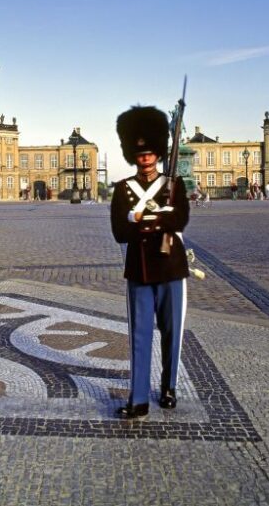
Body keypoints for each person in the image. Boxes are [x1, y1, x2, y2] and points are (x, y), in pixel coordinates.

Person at [110, 106, 190, 420]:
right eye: (140, 154)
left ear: (157, 154)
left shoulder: (174, 186)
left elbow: (181, 220)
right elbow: (120, 231)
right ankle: (139, 397)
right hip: (139, 269)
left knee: (173, 332)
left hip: (171, 267)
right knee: (140, 334)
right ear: (134, 156)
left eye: (150, 153)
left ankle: (168, 387)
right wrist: (156, 220)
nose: (145, 158)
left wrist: (146, 220)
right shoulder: (122, 189)